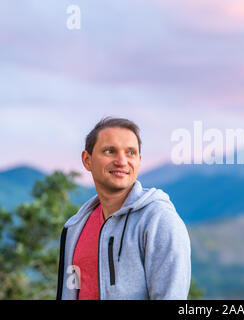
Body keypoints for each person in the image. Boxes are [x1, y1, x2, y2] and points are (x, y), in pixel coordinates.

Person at [56, 117, 191, 300]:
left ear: (139, 161)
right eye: (110, 151)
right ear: (87, 160)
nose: (122, 161)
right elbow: (72, 290)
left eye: (130, 153)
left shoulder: (159, 220)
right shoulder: (75, 227)